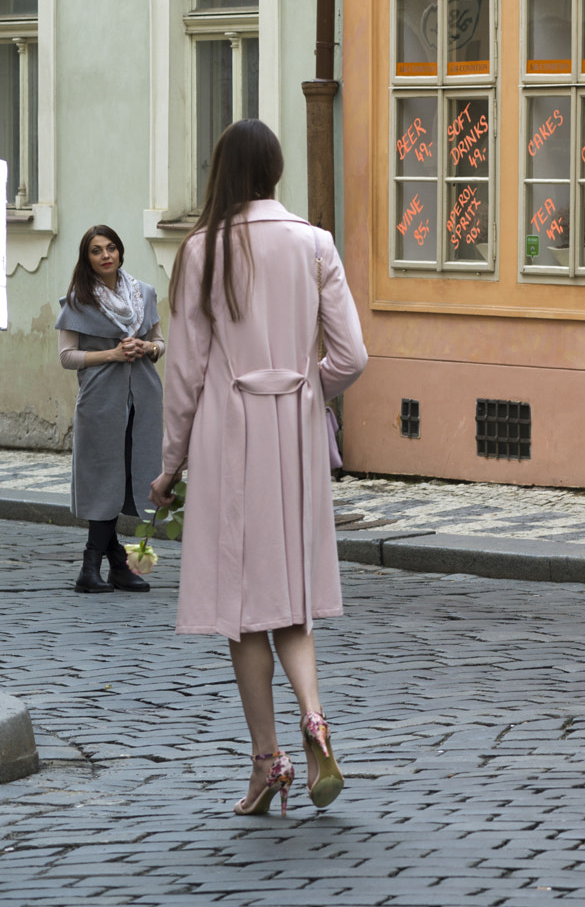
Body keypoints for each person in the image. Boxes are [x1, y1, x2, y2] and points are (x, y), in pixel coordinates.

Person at [152, 119, 367, 819]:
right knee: (291, 600)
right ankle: (315, 719)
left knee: (245, 612)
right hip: (296, 434)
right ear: (275, 169)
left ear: (223, 172)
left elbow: (184, 375)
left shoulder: (201, 250)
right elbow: (351, 358)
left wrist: (168, 466)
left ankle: (268, 761)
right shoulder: (314, 243)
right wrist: (307, 391)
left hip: (228, 434)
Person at [56, 225, 164, 594]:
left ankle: (112, 565)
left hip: (143, 399)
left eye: (111, 248)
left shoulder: (144, 294)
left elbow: (159, 341)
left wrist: (147, 349)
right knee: (103, 478)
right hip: (100, 401)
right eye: (96, 250)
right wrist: (113, 354)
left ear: (120, 252)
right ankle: (94, 566)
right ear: (86, 259)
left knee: (128, 478)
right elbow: (67, 357)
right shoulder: (77, 300)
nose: (106, 255)